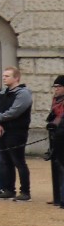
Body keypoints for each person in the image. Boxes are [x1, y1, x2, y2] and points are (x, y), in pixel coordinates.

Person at [0, 67, 35, 201]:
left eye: (7, 76)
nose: (4, 78)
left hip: (17, 132)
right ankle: (9, 189)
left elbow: (14, 111)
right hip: (3, 131)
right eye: (4, 75)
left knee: (19, 162)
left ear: (16, 78)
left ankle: (25, 192)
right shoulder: (3, 93)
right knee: (6, 162)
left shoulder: (23, 93)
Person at [45, 76, 64, 209]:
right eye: (55, 87)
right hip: (57, 137)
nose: (56, 89)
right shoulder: (55, 99)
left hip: (61, 134)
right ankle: (58, 196)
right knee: (57, 166)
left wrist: (55, 124)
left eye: (58, 87)